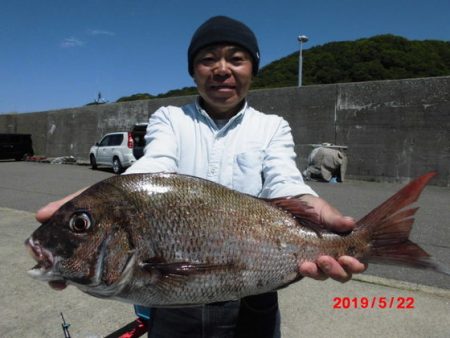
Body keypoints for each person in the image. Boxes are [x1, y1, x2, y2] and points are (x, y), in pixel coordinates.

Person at [36, 16, 366, 338]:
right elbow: (154, 164)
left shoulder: (272, 126)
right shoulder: (170, 118)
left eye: (236, 59)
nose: (222, 69)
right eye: (208, 59)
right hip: (174, 301)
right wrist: (100, 199)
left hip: (254, 294)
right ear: (194, 72)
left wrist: (312, 207)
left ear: (252, 70)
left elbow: (285, 182)